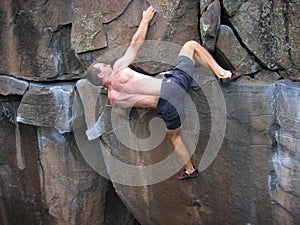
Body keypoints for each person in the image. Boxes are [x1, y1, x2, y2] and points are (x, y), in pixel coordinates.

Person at [84, 6, 242, 180]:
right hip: (172, 87)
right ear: (101, 75)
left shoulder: (114, 99)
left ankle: (190, 170)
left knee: (174, 137)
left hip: (166, 106)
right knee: (191, 46)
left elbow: (122, 115)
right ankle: (224, 74)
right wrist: (145, 20)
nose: (107, 65)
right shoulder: (119, 69)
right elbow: (136, 43)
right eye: (103, 66)